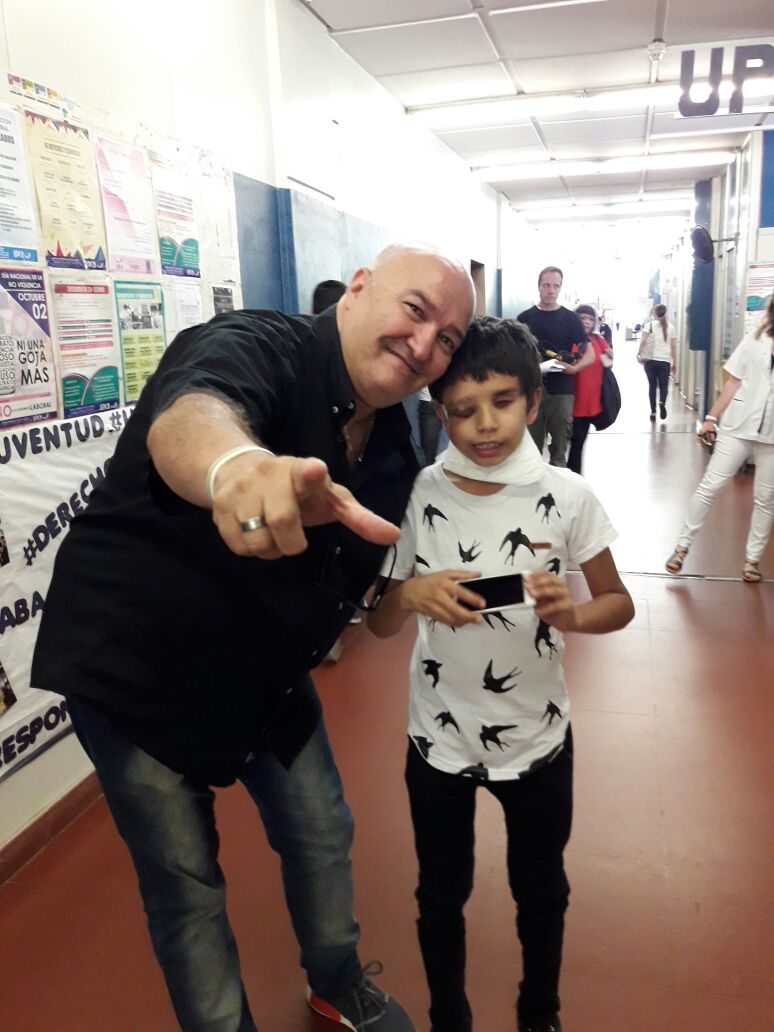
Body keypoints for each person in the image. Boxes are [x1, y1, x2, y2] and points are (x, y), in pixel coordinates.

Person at [31, 244, 476, 1032]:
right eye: (415, 310)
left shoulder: (391, 450)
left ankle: (337, 981)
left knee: (322, 828)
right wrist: (236, 468)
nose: (423, 344)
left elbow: (358, 591)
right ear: (360, 288)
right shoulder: (257, 345)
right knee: (186, 884)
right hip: (138, 665)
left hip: (263, 669)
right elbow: (194, 415)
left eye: (446, 338)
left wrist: (406, 591)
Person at [368, 317, 634, 1032]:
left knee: (541, 890)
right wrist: (408, 594)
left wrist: (573, 614)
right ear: (439, 411)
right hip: (438, 742)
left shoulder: (566, 494)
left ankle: (538, 1011)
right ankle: (448, 1015)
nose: (484, 424)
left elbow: (618, 603)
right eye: (462, 409)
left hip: (537, 741)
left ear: (533, 399)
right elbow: (379, 623)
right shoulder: (419, 494)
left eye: (503, 402)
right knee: (440, 894)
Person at [665, 296, 774, 583]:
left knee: (766, 499)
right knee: (710, 486)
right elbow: (734, 381)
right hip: (738, 425)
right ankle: (682, 547)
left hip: (772, 435)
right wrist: (711, 418)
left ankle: (752, 561)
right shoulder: (756, 339)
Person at [518, 267, 590, 467]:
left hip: (562, 392)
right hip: (532, 390)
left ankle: (558, 484)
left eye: (555, 286)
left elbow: (590, 353)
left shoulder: (571, 319)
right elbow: (515, 354)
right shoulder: (524, 319)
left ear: (560, 288)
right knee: (531, 450)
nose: (551, 290)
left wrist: (573, 369)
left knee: (558, 452)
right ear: (539, 286)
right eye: (546, 285)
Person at [567, 304, 613, 475]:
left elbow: (606, 365)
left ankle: (574, 477)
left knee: (578, 443)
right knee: (567, 443)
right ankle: (569, 476)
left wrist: (610, 358)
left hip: (589, 402)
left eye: (590, 319)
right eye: (583, 318)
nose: (587, 322)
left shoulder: (599, 341)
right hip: (569, 399)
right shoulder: (568, 339)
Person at [637, 304, 676, 421]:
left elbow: (644, 341)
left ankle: (653, 412)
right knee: (664, 386)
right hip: (665, 362)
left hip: (650, 361)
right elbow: (673, 347)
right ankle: (662, 402)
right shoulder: (671, 328)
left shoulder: (649, 326)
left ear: (654, 313)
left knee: (652, 386)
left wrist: (639, 354)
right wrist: (674, 362)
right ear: (665, 313)